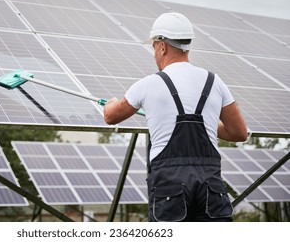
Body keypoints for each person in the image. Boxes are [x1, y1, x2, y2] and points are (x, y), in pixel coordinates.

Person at [104, 12, 248, 222]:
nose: (154, 53)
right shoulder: (215, 82)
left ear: (162, 46)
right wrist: (207, 122)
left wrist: (110, 103)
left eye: (153, 46)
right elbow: (239, 133)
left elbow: (110, 117)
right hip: (210, 187)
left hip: (169, 188)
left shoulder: (147, 85)